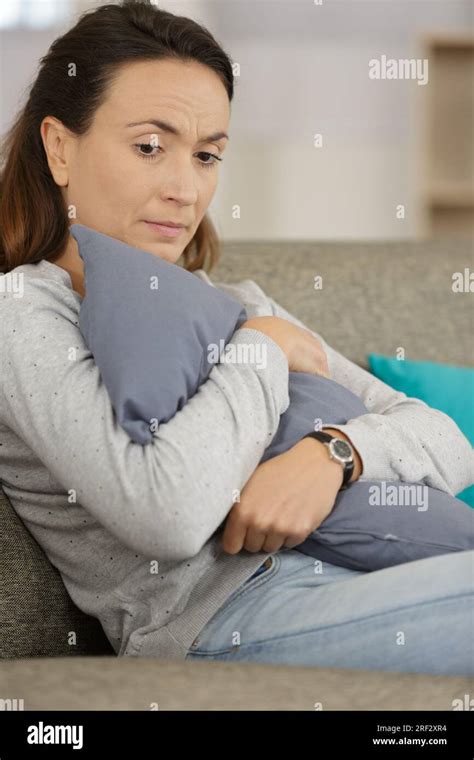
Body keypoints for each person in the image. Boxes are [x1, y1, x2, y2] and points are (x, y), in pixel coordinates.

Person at [0, 0, 472, 673]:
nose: (185, 190)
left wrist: (331, 455)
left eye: (206, 156)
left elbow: (448, 440)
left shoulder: (238, 304)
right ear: (59, 147)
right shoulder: (20, 314)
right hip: (227, 617)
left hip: (366, 571)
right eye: (148, 147)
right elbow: (169, 514)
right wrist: (260, 352)